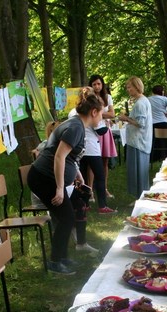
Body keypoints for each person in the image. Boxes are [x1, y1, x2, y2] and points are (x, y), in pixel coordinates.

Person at [28, 89, 104, 275]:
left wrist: (77, 176)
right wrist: (60, 188)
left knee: (67, 217)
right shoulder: (76, 127)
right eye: (101, 114)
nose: (101, 118)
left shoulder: (78, 125)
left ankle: (61, 257)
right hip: (43, 178)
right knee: (67, 217)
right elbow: (59, 157)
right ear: (94, 111)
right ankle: (55, 262)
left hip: (48, 178)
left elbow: (71, 156)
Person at [69, 87, 114, 215]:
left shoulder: (73, 111)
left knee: (82, 178)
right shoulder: (91, 111)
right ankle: (102, 205)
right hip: (92, 148)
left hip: (78, 148)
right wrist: (106, 125)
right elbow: (100, 130)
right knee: (99, 177)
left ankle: (84, 204)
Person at [119, 76, 153, 198]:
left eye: (130, 87)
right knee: (139, 172)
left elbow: (140, 123)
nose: (128, 90)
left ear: (136, 87)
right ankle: (140, 196)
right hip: (138, 141)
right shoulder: (142, 101)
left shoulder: (140, 103)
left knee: (139, 172)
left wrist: (126, 118)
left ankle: (141, 197)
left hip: (139, 142)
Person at [89, 75, 117, 201]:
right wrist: (104, 114)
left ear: (102, 84)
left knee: (105, 161)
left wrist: (98, 113)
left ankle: (104, 188)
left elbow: (112, 114)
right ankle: (90, 191)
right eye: (94, 84)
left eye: (99, 84)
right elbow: (89, 114)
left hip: (105, 131)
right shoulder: (89, 98)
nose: (97, 86)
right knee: (92, 162)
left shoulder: (107, 97)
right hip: (93, 132)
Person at [148, 85, 167, 162]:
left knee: (153, 141)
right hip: (163, 123)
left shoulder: (148, 99)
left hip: (152, 124)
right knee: (164, 142)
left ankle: (153, 157)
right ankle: (164, 156)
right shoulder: (164, 99)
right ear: (162, 92)